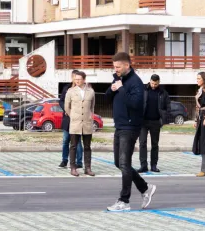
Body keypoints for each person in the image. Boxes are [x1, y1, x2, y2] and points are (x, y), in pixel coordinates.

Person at [105, 52, 156, 211]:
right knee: (118, 163)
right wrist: (113, 89)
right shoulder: (118, 79)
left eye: (118, 66)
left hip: (131, 126)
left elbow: (135, 104)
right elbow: (107, 98)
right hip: (119, 125)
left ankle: (124, 201)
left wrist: (121, 89)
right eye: (114, 67)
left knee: (125, 164)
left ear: (127, 65)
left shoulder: (136, 82)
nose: (116, 69)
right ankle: (145, 188)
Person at [64, 70, 96, 177]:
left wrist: (90, 116)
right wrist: (72, 116)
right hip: (75, 123)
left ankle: (88, 168)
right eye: (75, 79)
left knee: (87, 146)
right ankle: (73, 168)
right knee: (73, 146)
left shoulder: (91, 91)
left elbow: (92, 107)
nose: (77, 81)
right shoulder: (70, 91)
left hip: (87, 122)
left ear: (84, 80)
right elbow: (66, 107)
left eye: (79, 79)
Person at [138, 74, 170, 173]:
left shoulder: (163, 93)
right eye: (152, 83)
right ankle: (143, 165)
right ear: (150, 81)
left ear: (158, 82)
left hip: (156, 122)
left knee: (155, 144)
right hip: (143, 121)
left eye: (155, 84)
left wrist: (163, 119)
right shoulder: (143, 89)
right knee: (142, 143)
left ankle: (154, 165)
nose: (153, 86)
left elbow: (167, 106)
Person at [58, 70, 83, 168]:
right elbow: (61, 101)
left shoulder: (82, 89)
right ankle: (64, 160)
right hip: (67, 119)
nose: (75, 79)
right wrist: (66, 109)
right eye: (74, 77)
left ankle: (79, 162)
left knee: (77, 141)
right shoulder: (66, 88)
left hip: (77, 119)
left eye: (77, 78)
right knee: (65, 140)